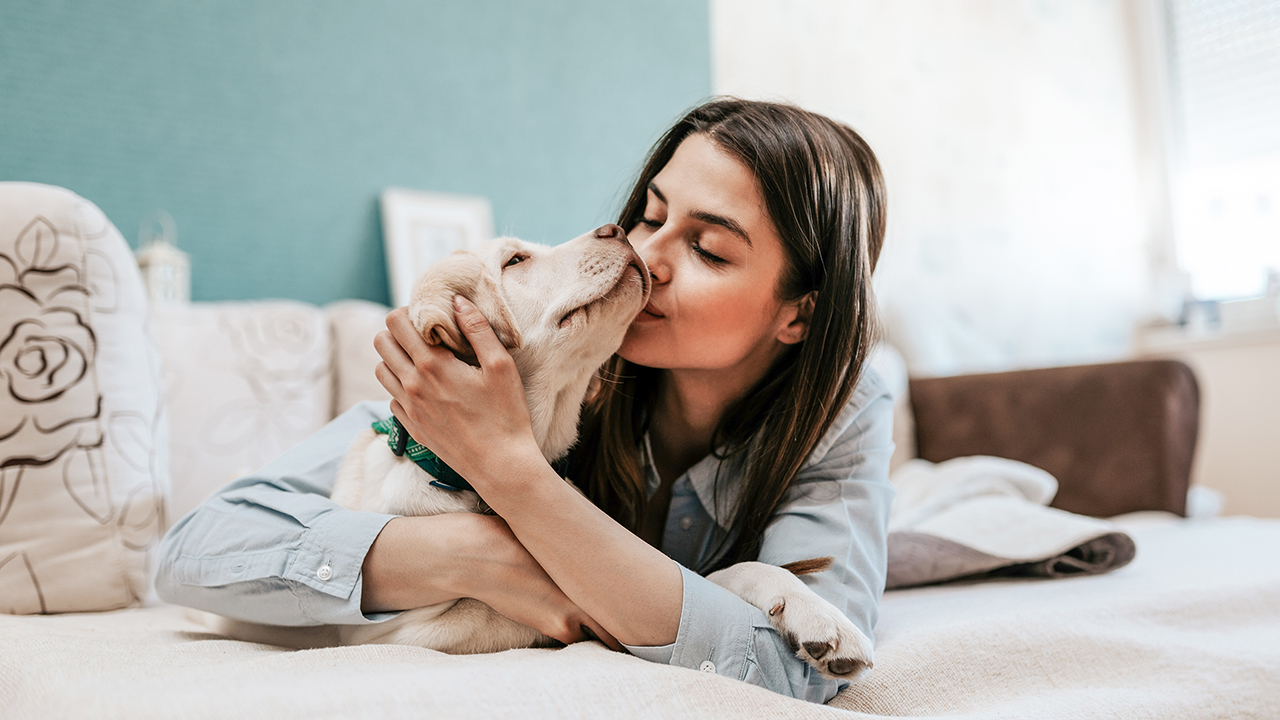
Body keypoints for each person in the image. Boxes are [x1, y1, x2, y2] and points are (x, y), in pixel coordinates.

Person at [155, 97, 894, 704]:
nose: (649, 254)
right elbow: (194, 552)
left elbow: (797, 672)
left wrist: (513, 472)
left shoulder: (844, 410)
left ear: (800, 312)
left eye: (708, 249)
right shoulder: (541, 365)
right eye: (651, 214)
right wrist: (477, 555)